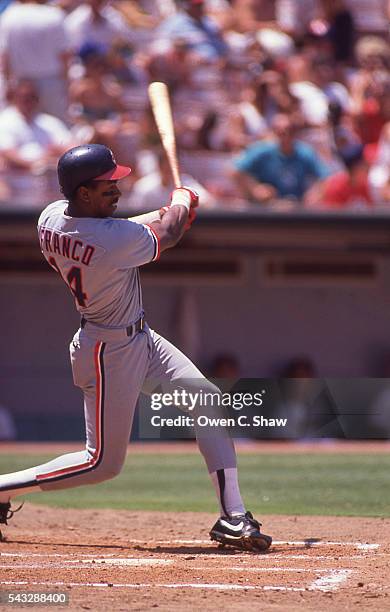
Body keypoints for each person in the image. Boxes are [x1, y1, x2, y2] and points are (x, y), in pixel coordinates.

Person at [0, 144, 272, 552]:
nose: (117, 189)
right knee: (101, 464)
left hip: (139, 339)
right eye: (107, 184)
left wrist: (169, 209)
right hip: (107, 352)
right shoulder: (108, 241)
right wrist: (179, 204)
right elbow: (168, 234)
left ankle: (233, 516)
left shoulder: (51, 216)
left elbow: (129, 227)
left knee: (206, 399)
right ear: (83, 192)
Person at [233, 113, 330, 204]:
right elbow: (235, 171)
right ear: (274, 133)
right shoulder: (262, 151)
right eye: (280, 133)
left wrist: (314, 194)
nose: (285, 137)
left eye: (289, 132)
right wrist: (255, 189)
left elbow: (326, 177)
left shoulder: (304, 152)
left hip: (296, 207)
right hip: (267, 208)